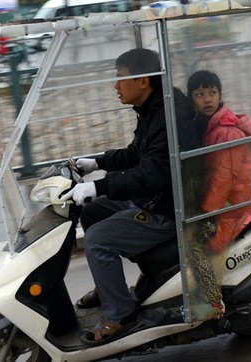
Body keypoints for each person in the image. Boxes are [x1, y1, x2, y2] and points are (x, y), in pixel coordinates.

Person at [60, 48, 186, 345]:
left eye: (120, 78)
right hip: (152, 196)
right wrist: (97, 163)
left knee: (98, 239)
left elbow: (152, 174)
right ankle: (108, 290)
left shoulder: (169, 114)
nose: (115, 86)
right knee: (90, 212)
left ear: (143, 81)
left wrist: (99, 187)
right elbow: (136, 154)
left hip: (167, 208)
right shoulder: (153, 107)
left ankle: (119, 314)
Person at [187, 70, 251, 253]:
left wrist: (207, 211)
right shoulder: (205, 125)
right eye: (200, 95)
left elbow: (224, 178)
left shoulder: (227, 132)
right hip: (225, 200)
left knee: (207, 252)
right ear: (191, 99)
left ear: (220, 95)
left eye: (212, 93)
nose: (207, 100)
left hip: (236, 204)